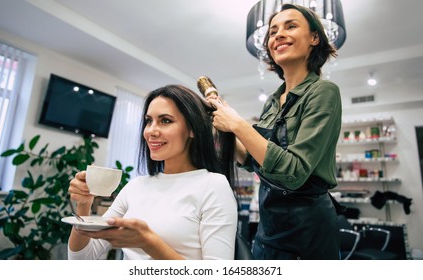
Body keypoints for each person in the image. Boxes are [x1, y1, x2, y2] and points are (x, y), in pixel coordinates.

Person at [207, 4, 342, 260]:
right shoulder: (273, 100)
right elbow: (251, 159)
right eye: (272, 31)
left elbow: (293, 172)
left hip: (308, 229)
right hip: (269, 227)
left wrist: (238, 124)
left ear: (315, 38)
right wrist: (220, 128)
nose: (277, 35)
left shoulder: (324, 92)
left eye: (290, 26)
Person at [67, 85, 238, 260]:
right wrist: (84, 205)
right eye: (149, 121)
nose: (150, 131)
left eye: (165, 121)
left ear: (192, 129)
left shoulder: (213, 186)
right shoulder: (135, 187)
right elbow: (81, 259)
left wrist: (149, 243)